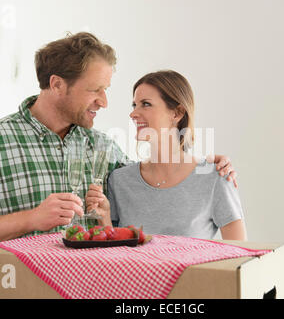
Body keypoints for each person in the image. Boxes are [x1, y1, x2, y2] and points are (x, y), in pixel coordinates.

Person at [0, 32, 237, 249]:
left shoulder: (104, 146)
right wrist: (31, 219)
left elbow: (151, 178)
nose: (104, 102)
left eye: (106, 89)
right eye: (95, 90)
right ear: (57, 84)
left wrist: (206, 163)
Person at [86, 70, 247, 240]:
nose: (133, 114)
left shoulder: (215, 176)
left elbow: (240, 254)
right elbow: (117, 251)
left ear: (177, 113)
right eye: (134, 105)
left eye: (146, 104)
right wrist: (104, 220)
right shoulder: (120, 180)